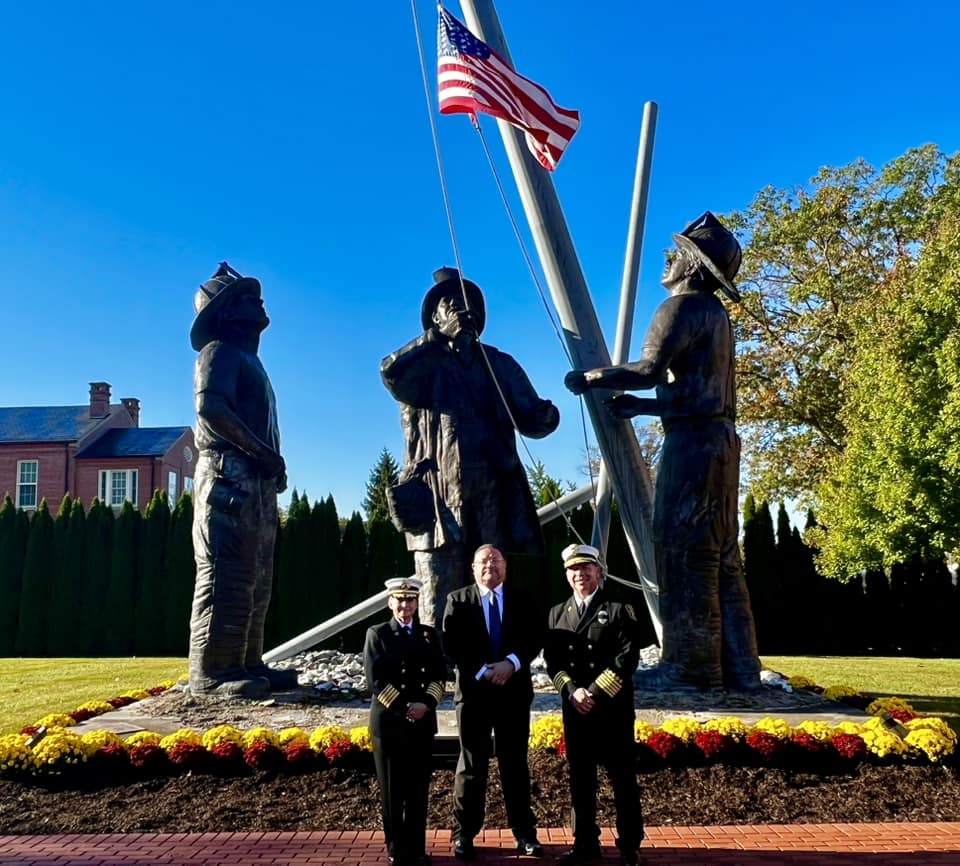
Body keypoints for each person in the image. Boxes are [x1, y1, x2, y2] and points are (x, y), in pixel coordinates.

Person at [564, 212, 760, 691]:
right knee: (722, 557)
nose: (669, 261)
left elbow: (650, 368)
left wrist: (591, 377)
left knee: (683, 550)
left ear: (693, 267)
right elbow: (697, 391)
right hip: (719, 443)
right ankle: (740, 669)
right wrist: (645, 407)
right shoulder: (716, 317)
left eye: (678, 255)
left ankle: (691, 669)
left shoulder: (679, 307)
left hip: (691, 449)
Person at [381, 267, 559, 627]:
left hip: (490, 491)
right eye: (451, 304)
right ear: (434, 317)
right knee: (438, 583)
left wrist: (546, 416)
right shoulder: (421, 365)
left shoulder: (499, 364)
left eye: (469, 304)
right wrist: (432, 338)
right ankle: (438, 666)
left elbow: (531, 418)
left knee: (489, 579)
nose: (463, 310)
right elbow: (390, 373)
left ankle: (491, 652)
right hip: (436, 497)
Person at [187, 262, 295, 699]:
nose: (259, 302)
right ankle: (212, 670)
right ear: (228, 312)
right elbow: (211, 410)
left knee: (256, 576)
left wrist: (271, 464)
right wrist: (264, 454)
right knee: (226, 572)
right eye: (248, 298)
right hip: (227, 474)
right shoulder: (219, 352)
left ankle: (247, 660)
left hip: (254, 479)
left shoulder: (248, 360)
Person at [441, 544, 544, 861]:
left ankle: (525, 834)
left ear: (505, 566)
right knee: (472, 765)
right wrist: (484, 669)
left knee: (515, 765)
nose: (490, 566)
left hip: (513, 693)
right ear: (473, 568)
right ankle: (464, 834)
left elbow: (535, 636)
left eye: (496, 560)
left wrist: (511, 663)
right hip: (474, 695)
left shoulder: (523, 598)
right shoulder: (457, 600)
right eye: (483, 561)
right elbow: (451, 642)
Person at [544, 544, 643, 866]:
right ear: (566, 575)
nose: (580, 574)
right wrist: (572, 691)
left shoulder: (619, 608)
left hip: (611, 709)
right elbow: (553, 662)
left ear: (599, 572)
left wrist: (594, 692)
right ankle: (585, 842)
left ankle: (629, 845)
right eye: (574, 569)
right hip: (576, 711)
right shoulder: (557, 613)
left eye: (586, 568)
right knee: (581, 779)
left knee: (622, 778)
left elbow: (627, 658)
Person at [364, 578, 447, 866]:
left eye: (410, 600)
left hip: (422, 723)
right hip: (389, 723)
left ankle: (417, 847)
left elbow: (439, 675)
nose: (405, 606)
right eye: (400, 600)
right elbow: (376, 680)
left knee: (417, 790)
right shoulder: (378, 634)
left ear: (416, 603)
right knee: (392, 790)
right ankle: (396, 848)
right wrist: (405, 708)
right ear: (390, 602)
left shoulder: (428, 635)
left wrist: (427, 704)